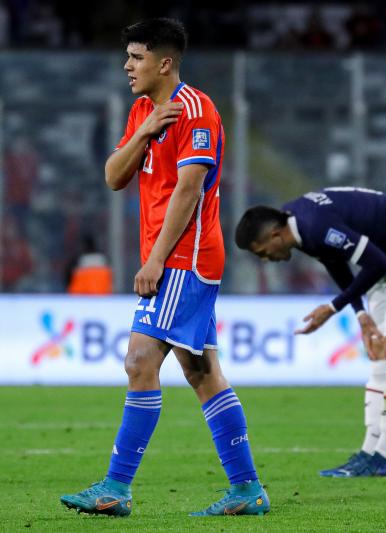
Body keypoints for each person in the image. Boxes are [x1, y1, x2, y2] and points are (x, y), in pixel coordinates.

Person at [60, 18, 270, 518]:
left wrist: (155, 260)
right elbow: (113, 176)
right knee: (202, 372)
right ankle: (248, 490)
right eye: (128, 56)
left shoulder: (197, 111)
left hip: (185, 257)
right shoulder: (143, 111)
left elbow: (189, 190)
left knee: (139, 361)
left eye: (137, 57)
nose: (127, 66)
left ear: (165, 63)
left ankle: (116, 487)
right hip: (174, 257)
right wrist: (144, 131)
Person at [235, 187, 386, 477]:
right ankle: (370, 453)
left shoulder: (315, 226)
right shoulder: (300, 227)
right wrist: (360, 313)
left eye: (261, 252)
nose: (265, 259)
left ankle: (385, 455)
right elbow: (335, 261)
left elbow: (376, 263)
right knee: (379, 352)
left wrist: (333, 307)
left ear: (275, 235)